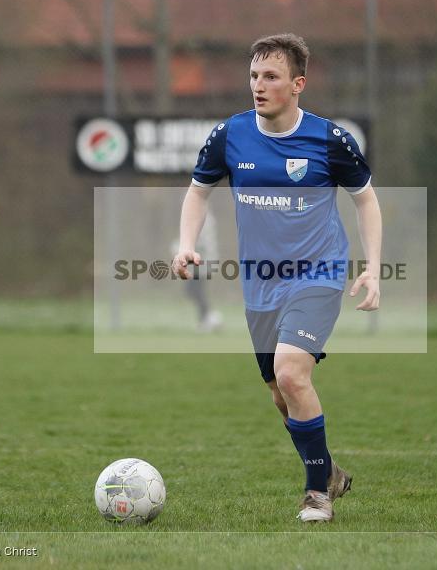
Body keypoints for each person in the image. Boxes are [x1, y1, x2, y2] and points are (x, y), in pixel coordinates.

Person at [172, 33, 382, 523]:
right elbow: (198, 192)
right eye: (253, 76)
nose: (258, 86)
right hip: (260, 282)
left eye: (271, 77)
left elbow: (365, 199)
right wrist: (187, 244)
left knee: (291, 371)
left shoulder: (329, 139)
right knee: (278, 391)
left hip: (319, 273)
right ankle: (327, 469)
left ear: (298, 84)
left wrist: (373, 267)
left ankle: (316, 495)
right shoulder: (231, 135)